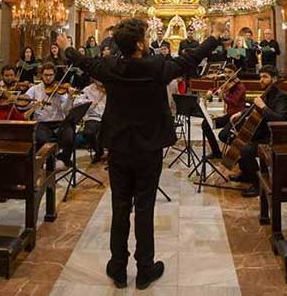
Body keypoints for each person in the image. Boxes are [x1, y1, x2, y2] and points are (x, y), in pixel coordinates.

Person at [56, 18, 225, 290]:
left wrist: (67, 47)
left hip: (119, 147)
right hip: (149, 148)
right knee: (145, 207)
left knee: (120, 206)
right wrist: (214, 36)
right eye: (146, 36)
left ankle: (118, 268)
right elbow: (190, 59)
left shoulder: (111, 66)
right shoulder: (157, 67)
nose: (148, 40)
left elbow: (85, 62)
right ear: (138, 43)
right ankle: (145, 268)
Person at [230, 65, 287, 198]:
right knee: (238, 139)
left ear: (274, 79)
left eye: (265, 77)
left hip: (276, 138)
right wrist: (241, 113)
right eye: (260, 77)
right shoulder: (267, 94)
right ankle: (246, 175)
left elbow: (280, 120)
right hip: (264, 133)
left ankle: (257, 186)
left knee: (246, 149)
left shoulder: (282, 96)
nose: (261, 80)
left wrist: (263, 107)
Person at [23, 63, 75, 166]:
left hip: (59, 122)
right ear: (41, 75)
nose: (48, 78)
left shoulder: (60, 89)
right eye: (45, 75)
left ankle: (64, 159)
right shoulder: (35, 89)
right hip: (42, 123)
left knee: (69, 137)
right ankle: (44, 162)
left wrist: (69, 97)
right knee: (41, 140)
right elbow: (23, 103)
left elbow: (66, 110)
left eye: (50, 75)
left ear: (54, 75)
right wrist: (33, 104)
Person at [201, 65, 246, 158]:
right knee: (206, 124)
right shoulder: (228, 84)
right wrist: (210, 91)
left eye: (230, 72)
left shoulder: (240, 86)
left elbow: (234, 101)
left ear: (235, 73)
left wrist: (223, 96)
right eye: (226, 72)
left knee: (223, 135)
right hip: (229, 115)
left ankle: (239, 153)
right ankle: (216, 152)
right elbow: (216, 89)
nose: (227, 74)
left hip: (237, 117)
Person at [75, 78, 107, 163]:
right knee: (88, 133)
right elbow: (77, 103)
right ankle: (99, 151)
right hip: (94, 117)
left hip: (109, 116)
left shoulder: (111, 87)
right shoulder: (88, 90)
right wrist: (90, 102)